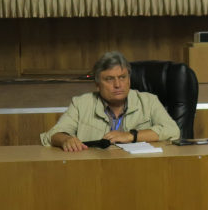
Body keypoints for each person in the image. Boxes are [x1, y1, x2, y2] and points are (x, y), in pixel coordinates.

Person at [41, 51, 180, 151]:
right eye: (109, 79)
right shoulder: (81, 104)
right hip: (96, 170)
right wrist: (65, 140)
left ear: (129, 80)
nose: (118, 85)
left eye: (122, 77)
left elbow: (172, 130)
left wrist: (131, 136)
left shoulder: (148, 101)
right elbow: (52, 135)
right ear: (97, 84)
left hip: (139, 167)